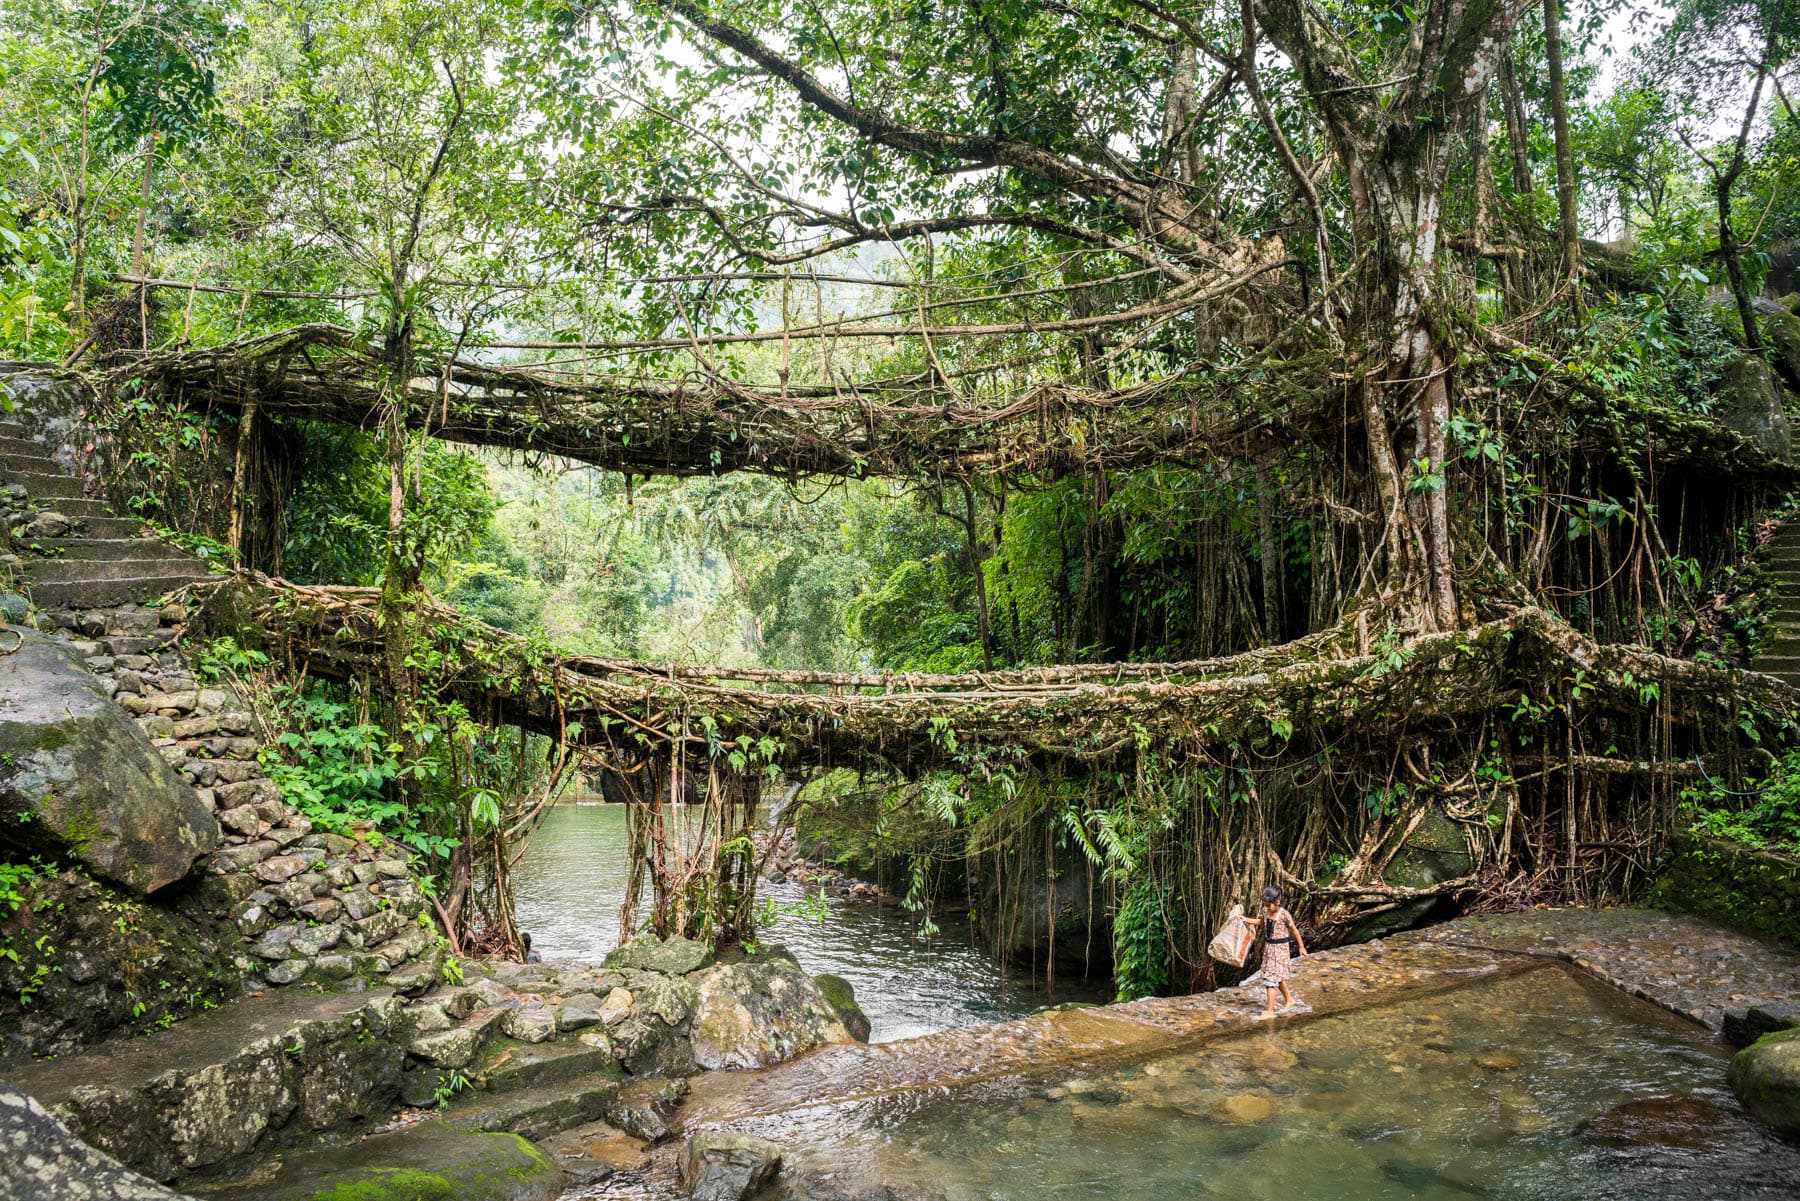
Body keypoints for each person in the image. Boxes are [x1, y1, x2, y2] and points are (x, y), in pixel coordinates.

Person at [1242, 885, 1307, 1020]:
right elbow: (1261, 922)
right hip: (1269, 949)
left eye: (1268, 905)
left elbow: (1294, 930)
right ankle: (1289, 1000)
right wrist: (1246, 920)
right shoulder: (1265, 911)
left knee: (1270, 980)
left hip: (1280, 950)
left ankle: (1270, 1011)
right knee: (1278, 977)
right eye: (1264, 905)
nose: (1266, 907)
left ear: (1277, 902)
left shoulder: (1284, 915)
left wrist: (1301, 947)